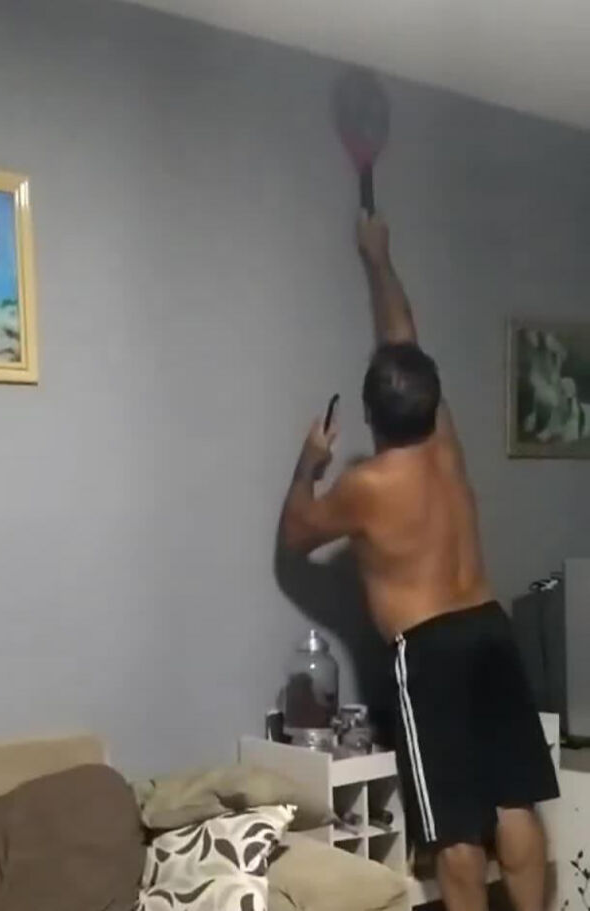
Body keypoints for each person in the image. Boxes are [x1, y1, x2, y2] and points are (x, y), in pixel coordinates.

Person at [279, 214, 559, 911]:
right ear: (429, 401)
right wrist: (380, 258)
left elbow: (294, 540)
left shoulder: (365, 487)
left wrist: (308, 463)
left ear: (372, 417)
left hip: (431, 652)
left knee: (456, 829)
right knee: (515, 802)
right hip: (492, 630)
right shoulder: (446, 441)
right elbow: (403, 337)